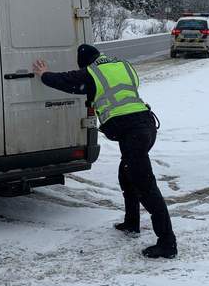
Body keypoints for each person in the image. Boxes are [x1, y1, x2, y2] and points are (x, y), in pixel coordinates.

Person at [32, 44, 177, 259]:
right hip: (145, 124)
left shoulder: (91, 73)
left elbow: (64, 81)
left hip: (132, 133)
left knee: (146, 188)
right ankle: (131, 223)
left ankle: (167, 243)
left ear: (84, 63)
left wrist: (44, 74)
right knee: (126, 173)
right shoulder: (123, 65)